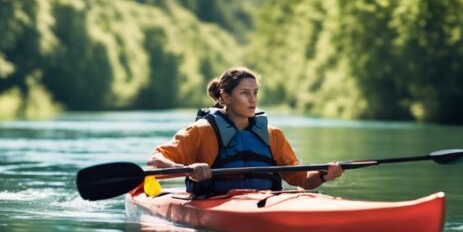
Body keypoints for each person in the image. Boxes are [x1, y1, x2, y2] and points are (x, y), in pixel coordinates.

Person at [147, 66, 343, 195]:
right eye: (245, 93)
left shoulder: (273, 134)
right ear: (226, 97)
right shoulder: (202, 131)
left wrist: (323, 175)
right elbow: (156, 159)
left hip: (267, 203)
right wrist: (188, 170)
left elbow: (300, 180)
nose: (253, 99)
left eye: (255, 93)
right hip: (215, 203)